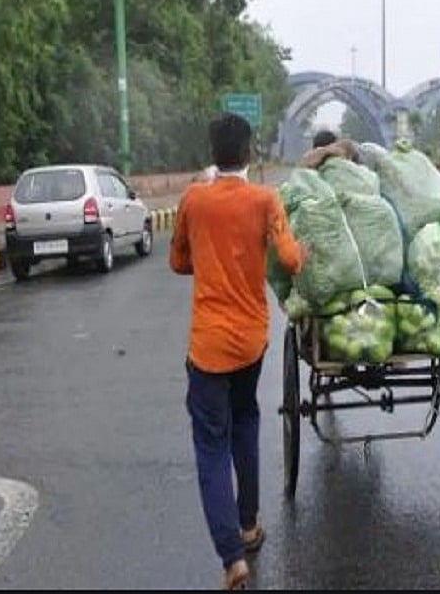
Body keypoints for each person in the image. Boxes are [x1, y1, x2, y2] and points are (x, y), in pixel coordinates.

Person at [170, 112, 309, 589]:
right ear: (249, 153)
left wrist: (209, 263)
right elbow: (290, 259)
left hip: (208, 345)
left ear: (213, 154)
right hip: (251, 341)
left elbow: (177, 260)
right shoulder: (265, 199)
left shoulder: (194, 199)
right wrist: (301, 254)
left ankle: (233, 558)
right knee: (245, 421)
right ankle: (248, 525)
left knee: (210, 446)